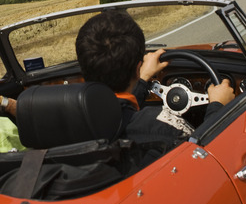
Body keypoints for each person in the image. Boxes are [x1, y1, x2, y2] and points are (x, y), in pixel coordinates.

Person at [74, 10, 235, 142]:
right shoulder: (165, 130)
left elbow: (121, 109)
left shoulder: (65, 122)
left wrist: (143, 79)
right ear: (138, 68)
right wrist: (218, 107)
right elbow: (204, 150)